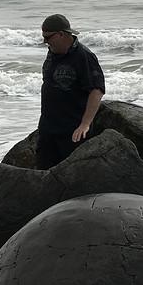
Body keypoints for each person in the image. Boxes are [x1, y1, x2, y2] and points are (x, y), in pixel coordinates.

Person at [36, 14, 106, 169]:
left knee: (72, 179)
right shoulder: (52, 53)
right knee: (44, 177)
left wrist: (85, 124)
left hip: (73, 132)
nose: (45, 42)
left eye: (48, 38)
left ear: (61, 34)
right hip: (48, 129)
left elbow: (96, 90)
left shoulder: (84, 57)